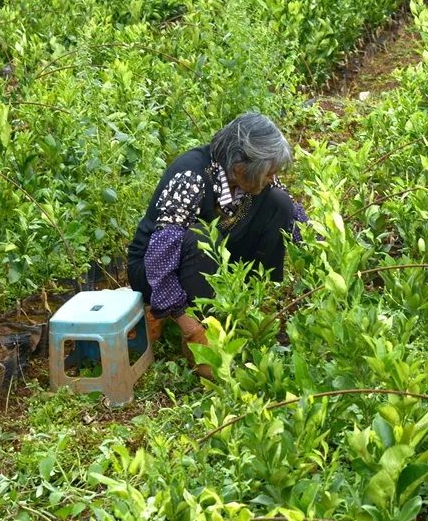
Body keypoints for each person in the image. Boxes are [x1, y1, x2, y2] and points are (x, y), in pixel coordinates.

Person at [127, 113, 308, 378]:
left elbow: (294, 216)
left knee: (279, 203)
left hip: (209, 257)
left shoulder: (250, 178)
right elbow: (159, 255)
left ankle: (248, 307)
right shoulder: (191, 175)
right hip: (153, 270)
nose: (272, 178)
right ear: (240, 166)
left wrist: (322, 253)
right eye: (268, 172)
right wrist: (187, 324)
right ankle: (200, 330)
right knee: (201, 236)